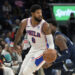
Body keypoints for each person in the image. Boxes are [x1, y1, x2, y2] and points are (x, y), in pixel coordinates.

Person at [14, 4, 54, 75]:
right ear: (32, 13)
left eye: (41, 12)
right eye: (38, 13)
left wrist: (49, 57)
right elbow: (19, 33)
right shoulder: (25, 22)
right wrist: (15, 45)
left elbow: (51, 43)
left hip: (43, 50)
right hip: (33, 49)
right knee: (21, 73)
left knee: (26, 72)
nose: (40, 15)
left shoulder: (45, 25)